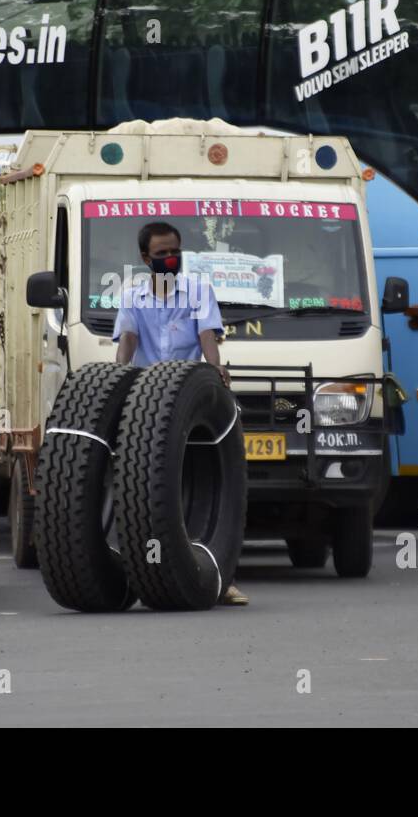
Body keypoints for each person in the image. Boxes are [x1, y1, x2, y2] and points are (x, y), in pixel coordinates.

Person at [113, 221, 247, 605]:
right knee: (146, 494)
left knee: (204, 485)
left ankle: (221, 578)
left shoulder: (198, 291)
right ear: (145, 259)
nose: (170, 259)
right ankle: (141, 576)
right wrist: (117, 377)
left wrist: (216, 366)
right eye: (161, 255)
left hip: (190, 404)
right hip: (145, 410)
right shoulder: (133, 296)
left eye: (175, 252)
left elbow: (208, 337)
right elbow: (128, 341)